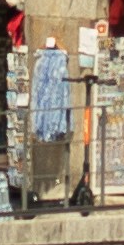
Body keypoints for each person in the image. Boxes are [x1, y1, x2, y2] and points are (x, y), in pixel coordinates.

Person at [24, 24, 82, 217]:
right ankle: (51, 188)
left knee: (58, 156)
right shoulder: (45, 62)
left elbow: (43, 94)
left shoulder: (41, 62)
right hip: (51, 118)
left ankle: (58, 187)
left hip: (47, 118)